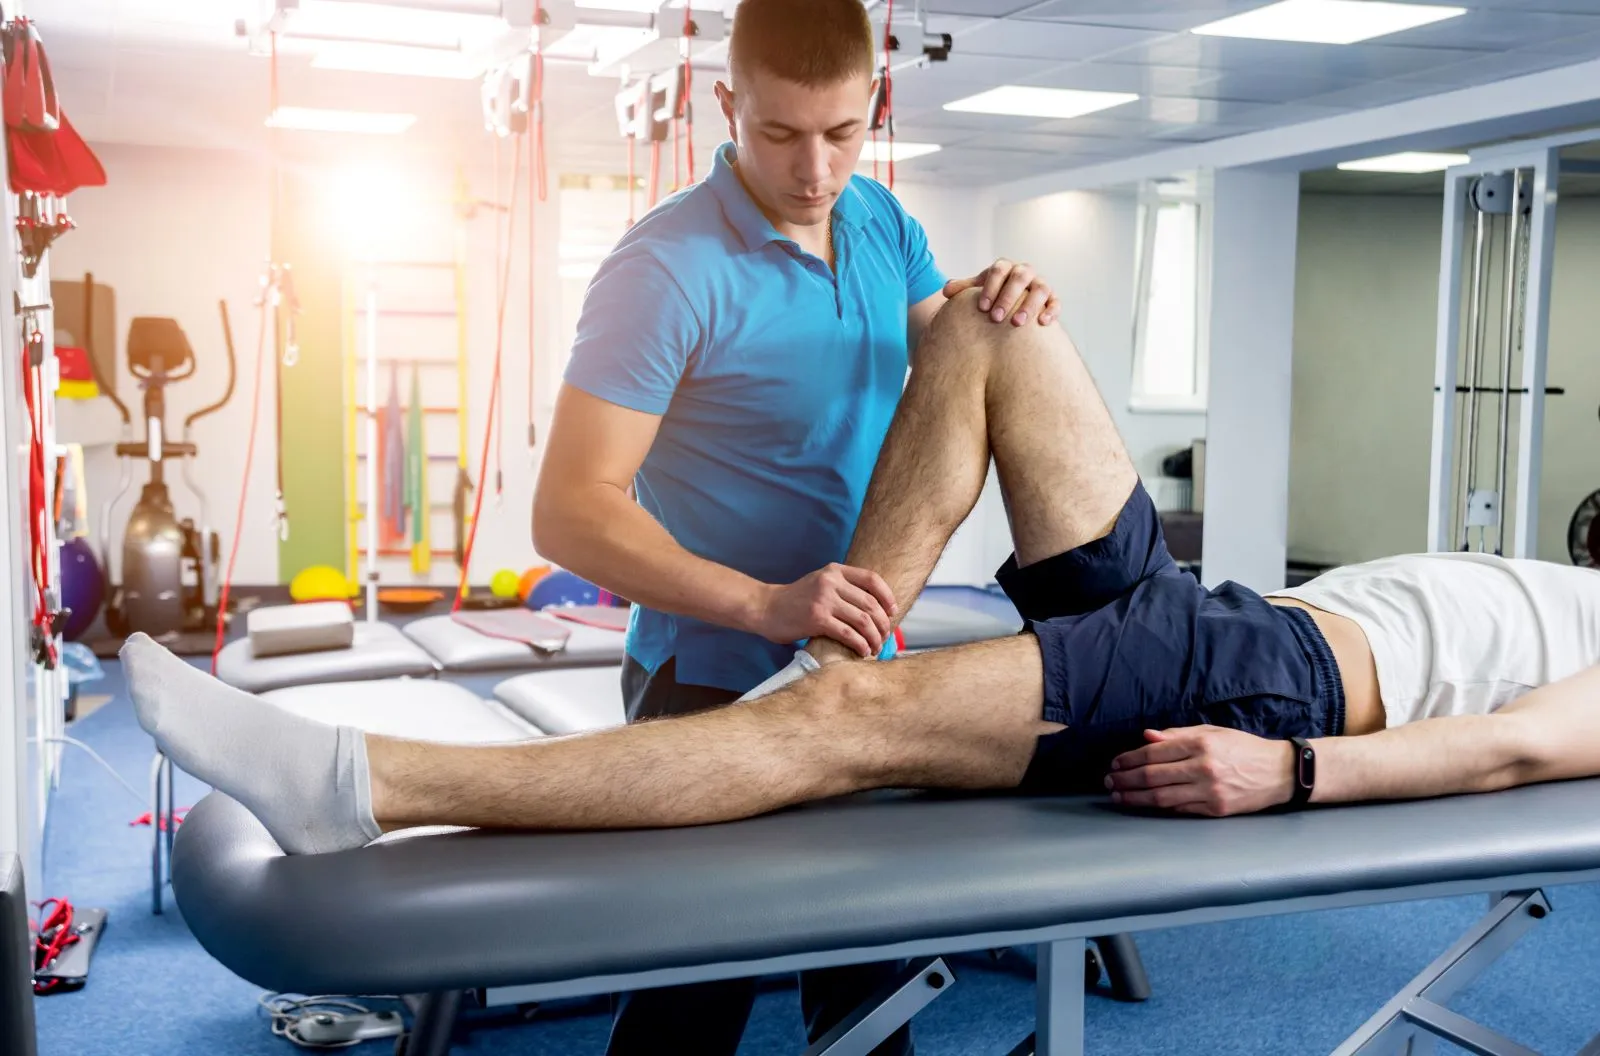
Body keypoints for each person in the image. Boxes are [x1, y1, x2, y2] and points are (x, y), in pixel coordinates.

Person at [128, 284, 1600, 873]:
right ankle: (818, 667)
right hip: (1227, 620)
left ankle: (364, 787)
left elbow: (1523, 745)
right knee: (983, 326)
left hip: (1267, 688)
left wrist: (1288, 782)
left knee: (845, 736)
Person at [529, 0, 1059, 1048]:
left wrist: (996, 301)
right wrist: (766, 601)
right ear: (727, 106)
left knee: (870, 973)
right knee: (695, 986)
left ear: (874, 104)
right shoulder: (663, 269)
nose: (813, 169)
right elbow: (569, 513)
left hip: (857, 665)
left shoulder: (883, 226)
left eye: (841, 133)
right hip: (706, 676)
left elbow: (940, 378)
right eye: (777, 134)